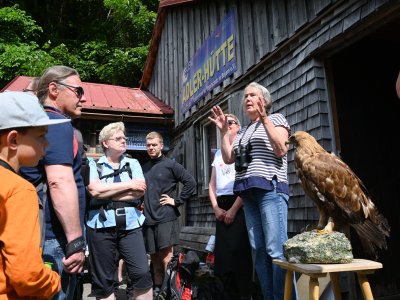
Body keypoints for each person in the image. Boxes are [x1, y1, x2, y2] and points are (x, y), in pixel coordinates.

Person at [209, 82, 297, 300]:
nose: (247, 98)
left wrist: (264, 117)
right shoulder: (244, 131)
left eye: (252, 95)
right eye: (245, 96)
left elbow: (281, 149)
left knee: (275, 250)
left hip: (270, 189)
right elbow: (229, 158)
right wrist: (223, 132)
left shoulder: (276, 119)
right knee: (258, 251)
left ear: (264, 100)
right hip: (248, 194)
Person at [20, 65, 87, 300]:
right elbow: (59, 182)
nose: (83, 97)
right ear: (53, 89)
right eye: (78, 91)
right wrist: (76, 242)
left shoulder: (37, 123)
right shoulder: (57, 124)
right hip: (54, 239)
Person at [0, 92, 65, 298]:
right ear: (13, 139)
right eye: (41, 135)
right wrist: (53, 280)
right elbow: (27, 277)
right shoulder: (18, 190)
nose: (46, 144)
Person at [86, 122, 153, 300]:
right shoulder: (94, 165)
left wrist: (106, 192)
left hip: (131, 225)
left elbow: (139, 191)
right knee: (104, 281)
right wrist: (129, 185)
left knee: (142, 273)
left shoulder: (133, 163)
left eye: (124, 138)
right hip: (100, 226)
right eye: (118, 138)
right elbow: (94, 191)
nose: (123, 140)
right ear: (106, 143)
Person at [141, 132, 196, 297]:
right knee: (155, 259)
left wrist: (176, 201)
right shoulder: (144, 168)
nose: (151, 148)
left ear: (161, 145)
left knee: (166, 258)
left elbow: (190, 182)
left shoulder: (171, 165)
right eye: (148, 145)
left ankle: (170, 291)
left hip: (166, 217)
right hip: (148, 219)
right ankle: (158, 291)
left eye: (154, 145)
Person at [208, 113, 253, 300]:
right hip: (221, 205)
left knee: (240, 254)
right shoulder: (219, 153)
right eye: (225, 122)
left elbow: (248, 181)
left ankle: (245, 295)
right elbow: (212, 185)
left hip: (239, 202)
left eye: (231, 122)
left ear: (238, 128)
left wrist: (234, 210)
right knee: (224, 257)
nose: (227, 124)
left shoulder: (244, 148)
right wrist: (216, 208)